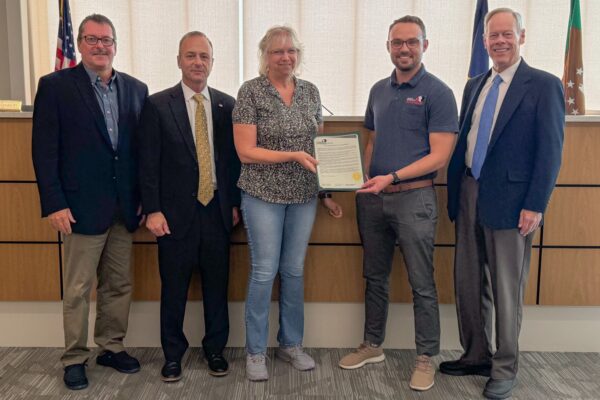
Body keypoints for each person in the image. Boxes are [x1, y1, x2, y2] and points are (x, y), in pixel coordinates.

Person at [442, 8, 564, 400]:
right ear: (484, 42)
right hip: (470, 192)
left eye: (506, 34)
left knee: (507, 289)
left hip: (514, 204)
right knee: (468, 282)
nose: (499, 41)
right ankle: (476, 353)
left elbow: (550, 152)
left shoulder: (544, 85)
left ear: (521, 36)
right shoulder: (475, 84)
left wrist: (535, 203)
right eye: (492, 36)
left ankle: (505, 367)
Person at [338, 16, 458, 392]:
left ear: (425, 45)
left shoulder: (438, 93)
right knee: (374, 277)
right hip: (374, 201)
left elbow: (440, 155)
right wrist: (361, 179)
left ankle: (426, 357)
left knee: (422, 282)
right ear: (388, 46)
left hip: (415, 199)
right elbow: (371, 142)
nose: (403, 49)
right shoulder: (378, 90)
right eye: (396, 43)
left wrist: (394, 176)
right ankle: (373, 345)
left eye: (411, 42)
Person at [31, 14, 148, 391]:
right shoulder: (55, 87)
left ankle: (111, 346)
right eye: (92, 39)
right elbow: (44, 151)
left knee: (118, 284)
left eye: (107, 40)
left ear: (116, 45)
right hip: (79, 207)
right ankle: (74, 357)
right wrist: (54, 203)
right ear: (80, 44)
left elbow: (140, 153)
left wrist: (144, 198)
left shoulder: (135, 89)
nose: (100, 46)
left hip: (124, 207)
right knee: (78, 288)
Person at [233, 26, 342, 382]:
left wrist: (326, 193)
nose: (285, 57)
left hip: (303, 196)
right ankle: (255, 352)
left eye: (291, 50)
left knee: (294, 271)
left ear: (299, 54)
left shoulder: (310, 92)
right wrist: (292, 154)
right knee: (265, 271)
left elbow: (319, 149)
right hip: (261, 194)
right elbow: (245, 152)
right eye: (277, 51)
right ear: (265, 54)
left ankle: (291, 344)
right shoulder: (250, 92)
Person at [137, 31, 240, 381]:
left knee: (217, 287)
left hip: (217, 211)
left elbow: (233, 163)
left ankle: (215, 350)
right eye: (191, 56)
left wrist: (235, 204)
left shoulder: (228, 105)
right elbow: (147, 163)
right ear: (179, 60)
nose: (198, 63)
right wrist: (152, 209)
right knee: (174, 289)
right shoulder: (157, 105)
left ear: (212, 62)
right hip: (173, 215)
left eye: (204, 57)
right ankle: (172, 355)